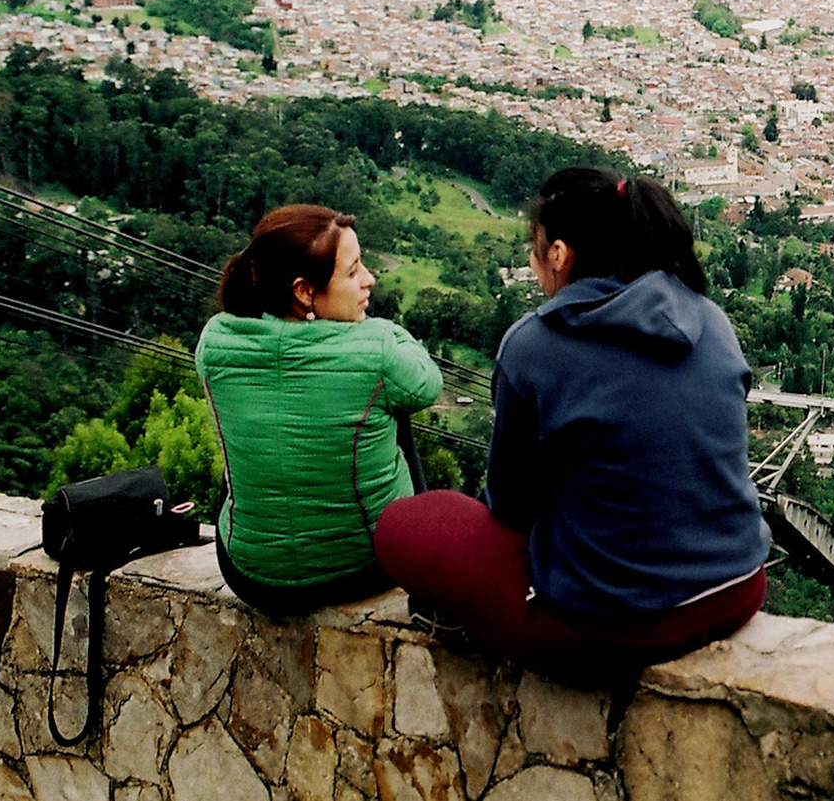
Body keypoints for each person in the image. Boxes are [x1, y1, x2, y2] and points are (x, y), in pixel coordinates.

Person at [375, 168, 769, 674]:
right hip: (736, 588)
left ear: (558, 253)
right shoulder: (707, 316)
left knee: (405, 525)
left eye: (534, 247)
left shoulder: (536, 344)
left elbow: (512, 508)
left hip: (619, 627)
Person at [198, 204, 441, 613]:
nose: (369, 280)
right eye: (353, 272)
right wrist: (382, 329)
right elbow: (427, 384)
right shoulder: (378, 349)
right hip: (365, 567)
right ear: (304, 291)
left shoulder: (214, 342)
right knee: (394, 406)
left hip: (251, 575)